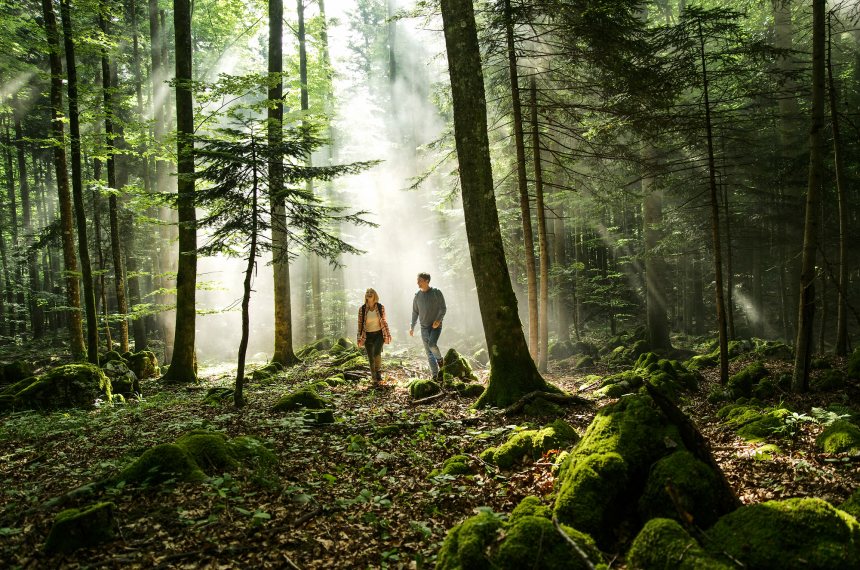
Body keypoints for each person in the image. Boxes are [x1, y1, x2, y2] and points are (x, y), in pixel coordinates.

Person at [409, 272, 446, 379]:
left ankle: (440, 361)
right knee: (429, 353)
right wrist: (412, 326)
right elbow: (415, 312)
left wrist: (438, 320)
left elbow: (443, 308)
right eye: (417, 280)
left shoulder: (436, 292)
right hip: (424, 327)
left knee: (432, 345)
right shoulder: (417, 296)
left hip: (435, 326)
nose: (418, 283)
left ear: (427, 281)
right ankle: (435, 375)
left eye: (420, 280)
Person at [357, 288, 392, 385]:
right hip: (367, 335)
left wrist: (388, 334)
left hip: (379, 335)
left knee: (377, 353)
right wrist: (359, 338)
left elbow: (384, 322)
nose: (369, 294)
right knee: (370, 357)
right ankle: (374, 378)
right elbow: (360, 325)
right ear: (365, 296)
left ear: (374, 295)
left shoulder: (380, 307)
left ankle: (378, 373)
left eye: (371, 292)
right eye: (367, 292)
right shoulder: (362, 309)